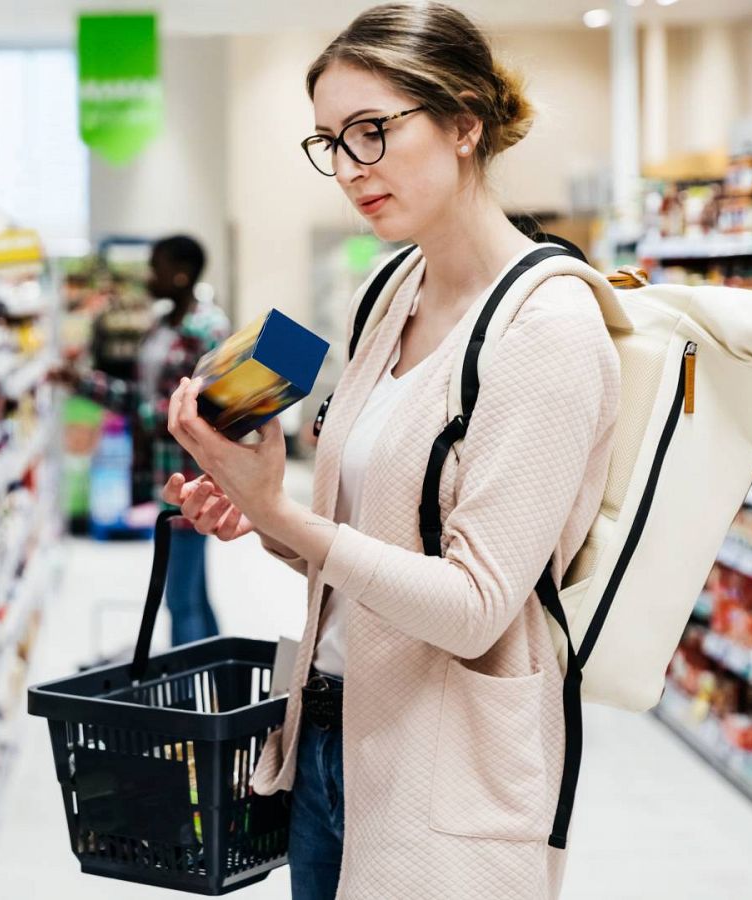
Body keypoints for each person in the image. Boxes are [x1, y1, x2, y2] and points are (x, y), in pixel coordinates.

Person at [163, 5, 621, 898]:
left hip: (446, 764)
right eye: (330, 142)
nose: (348, 168)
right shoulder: (388, 289)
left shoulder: (547, 327)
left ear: (463, 122)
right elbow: (359, 544)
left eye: (372, 131)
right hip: (329, 741)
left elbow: (476, 608)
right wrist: (261, 518)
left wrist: (283, 511)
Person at [79, 235, 228, 645]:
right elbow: (141, 399)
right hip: (165, 472)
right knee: (192, 591)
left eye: (156, 266)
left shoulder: (207, 328)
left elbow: (206, 404)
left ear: (181, 273)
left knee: (180, 598)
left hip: (194, 474)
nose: (148, 276)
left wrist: (147, 416)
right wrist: (80, 381)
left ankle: (188, 698)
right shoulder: (163, 326)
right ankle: (218, 681)